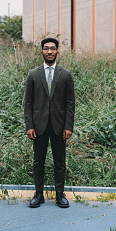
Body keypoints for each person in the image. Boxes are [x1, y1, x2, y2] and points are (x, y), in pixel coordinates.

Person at [24, 38, 75, 208]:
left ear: (57, 51)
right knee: (39, 161)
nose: (50, 51)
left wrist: (68, 126)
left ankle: (60, 194)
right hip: (38, 125)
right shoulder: (33, 74)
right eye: (46, 49)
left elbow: (70, 103)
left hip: (59, 126)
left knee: (59, 161)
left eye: (53, 48)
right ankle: (39, 194)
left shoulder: (65, 74)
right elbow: (28, 102)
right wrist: (29, 126)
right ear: (42, 52)